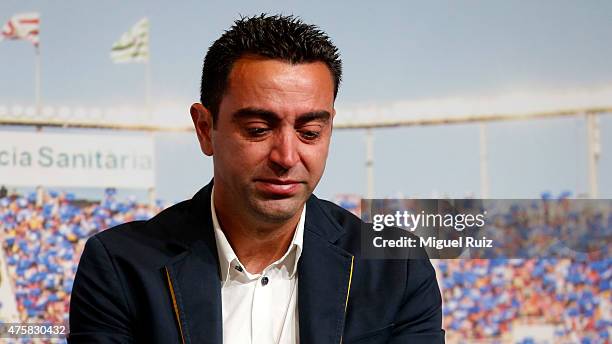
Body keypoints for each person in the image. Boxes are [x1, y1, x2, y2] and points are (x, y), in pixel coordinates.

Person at [68, 14, 444, 344]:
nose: (286, 156)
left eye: (310, 132)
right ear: (204, 128)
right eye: (258, 129)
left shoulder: (398, 267)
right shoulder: (120, 265)